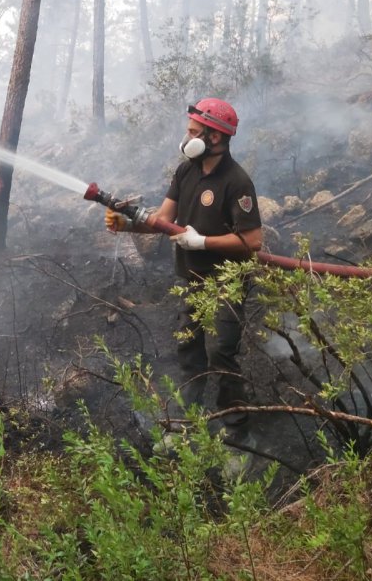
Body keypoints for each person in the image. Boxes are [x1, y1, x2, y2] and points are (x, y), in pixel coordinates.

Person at [105, 97, 263, 443]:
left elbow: (252, 241)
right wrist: (127, 224)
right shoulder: (186, 171)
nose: (186, 137)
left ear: (215, 137)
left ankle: (238, 435)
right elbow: (163, 222)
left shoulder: (237, 182)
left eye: (193, 131)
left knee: (221, 353)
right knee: (189, 348)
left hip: (227, 282)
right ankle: (188, 425)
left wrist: (203, 242)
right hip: (192, 279)